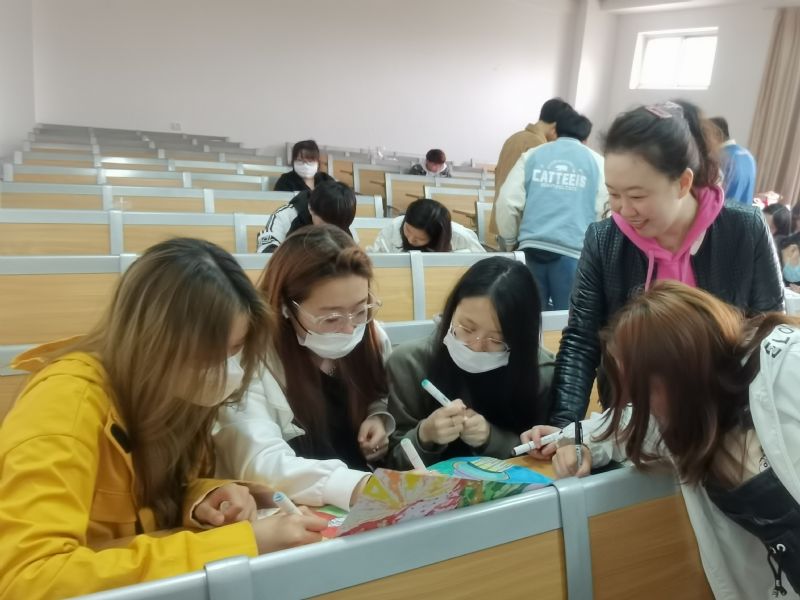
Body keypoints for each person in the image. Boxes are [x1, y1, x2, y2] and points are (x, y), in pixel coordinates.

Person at [0, 238, 328, 599]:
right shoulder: (65, 406)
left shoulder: (175, 392)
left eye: (235, 349)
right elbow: (28, 578)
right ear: (154, 344)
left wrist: (204, 497)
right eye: (207, 354)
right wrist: (240, 543)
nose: (226, 370)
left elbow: (155, 499)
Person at [534, 282, 800, 598]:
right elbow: (622, 426)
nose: (641, 406)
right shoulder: (687, 413)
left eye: (643, 389)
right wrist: (570, 439)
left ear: (678, 369)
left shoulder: (787, 371)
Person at [543, 100, 783, 429]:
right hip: (633, 420)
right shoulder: (604, 240)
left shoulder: (745, 230)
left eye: (637, 196)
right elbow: (581, 340)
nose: (623, 210)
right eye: (614, 194)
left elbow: (770, 338)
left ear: (683, 183)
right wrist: (563, 428)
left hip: (723, 420)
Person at [215, 225, 394, 511]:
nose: (350, 328)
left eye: (361, 309)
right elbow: (259, 460)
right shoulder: (252, 360)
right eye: (331, 318)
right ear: (287, 307)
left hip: (365, 497)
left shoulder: (371, 338)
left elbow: (379, 392)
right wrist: (354, 486)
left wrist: (378, 416)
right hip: (299, 509)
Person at [385, 257, 555, 469]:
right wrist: (424, 436)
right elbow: (390, 464)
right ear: (451, 312)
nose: (475, 346)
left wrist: (490, 438)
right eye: (466, 328)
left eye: (496, 340)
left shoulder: (542, 374)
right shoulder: (409, 363)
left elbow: (544, 459)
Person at [495, 110, 606, 310]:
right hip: (574, 253)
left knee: (529, 317)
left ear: (555, 131)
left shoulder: (532, 156)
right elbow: (604, 210)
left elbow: (507, 201)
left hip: (530, 249)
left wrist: (509, 241)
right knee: (567, 320)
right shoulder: (598, 162)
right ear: (586, 137)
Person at [489, 98, 573, 236]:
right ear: (555, 128)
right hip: (520, 225)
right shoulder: (540, 146)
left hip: (502, 220)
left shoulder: (514, 138)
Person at [256, 181, 358, 253]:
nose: (332, 230)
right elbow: (266, 251)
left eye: (338, 228)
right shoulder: (286, 215)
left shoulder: (343, 218)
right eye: (325, 224)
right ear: (310, 208)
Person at [367, 198, 485, 253]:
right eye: (407, 230)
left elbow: (480, 262)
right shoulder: (394, 227)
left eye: (419, 239)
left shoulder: (460, 236)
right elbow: (376, 257)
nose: (410, 239)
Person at [709, 116, 757, 205]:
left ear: (716, 135)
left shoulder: (719, 158)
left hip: (724, 212)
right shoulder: (748, 155)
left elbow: (711, 197)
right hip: (746, 212)